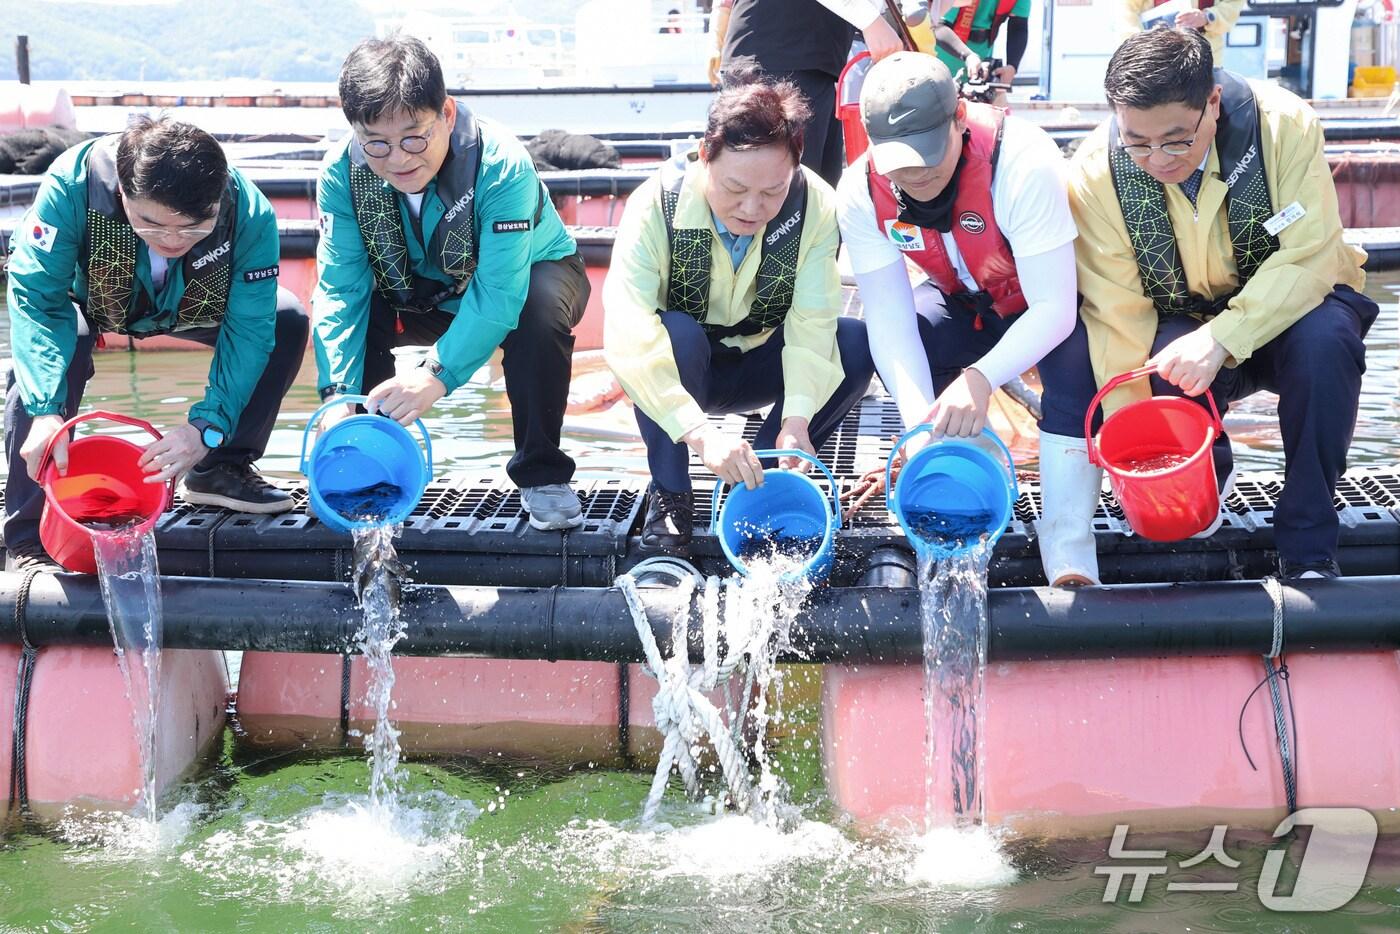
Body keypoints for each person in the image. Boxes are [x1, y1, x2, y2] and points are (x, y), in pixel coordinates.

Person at [1068, 29, 1377, 580]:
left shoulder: (1284, 125)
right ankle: (1208, 478)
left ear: (1212, 102)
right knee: (1153, 367)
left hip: (1292, 316)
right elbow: (1115, 311)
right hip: (1182, 322)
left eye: (1176, 140)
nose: (1157, 159)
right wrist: (1133, 436)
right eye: (1137, 142)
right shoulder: (1095, 171)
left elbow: (1310, 255)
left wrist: (1222, 338)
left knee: (1327, 344)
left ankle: (1309, 543)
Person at [837, 51, 1102, 586]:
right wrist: (918, 425)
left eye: (928, 161)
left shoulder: (1022, 161)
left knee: (1076, 372)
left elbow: (1054, 307)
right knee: (915, 337)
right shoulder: (859, 190)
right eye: (900, 167)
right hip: (964, 301)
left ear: (960, 117)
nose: (915, 178)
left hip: (1041, 303)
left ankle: (1068, 547)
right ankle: (966, 483)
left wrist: (981, 378)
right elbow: (888, 317)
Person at [4, 115, 307, 571]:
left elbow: (250, 329)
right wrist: (46, 410)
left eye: (193, 227)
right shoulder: (72, 185)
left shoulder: (249, 212)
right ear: (123, 191)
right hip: (88, 300)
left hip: (192, 307)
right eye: (151, 224)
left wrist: (206, 428)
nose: (172, 240)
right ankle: (28, 538)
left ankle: (219, 468)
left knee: (286, 318)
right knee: (46, 366)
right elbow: (38, 300)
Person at [314, 36, 591, 531]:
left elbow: (500, 292)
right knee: (360, 318)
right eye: (376, 143)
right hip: (418, 293)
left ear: (446, 113)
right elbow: (340, 291)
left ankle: (542, 472)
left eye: (413, 138)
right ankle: (366, 455)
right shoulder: (340, 175)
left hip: (526, 277)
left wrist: (436, 374)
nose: (398, 159)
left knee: (537, 306)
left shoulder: (501, 164)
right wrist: (337, 396)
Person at [604, 70, 875, 555]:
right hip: (687, 368)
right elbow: (629, 334)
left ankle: (762, 484)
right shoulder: (654, 204)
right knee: (675, 333)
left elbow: (812, 322)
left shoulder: (816, 206)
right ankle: (671, 496)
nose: (752, 208)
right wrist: (700, 434)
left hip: (760, 362)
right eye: (735, 187)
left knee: (853, 343)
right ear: (705, 155)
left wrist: (798, 418)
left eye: (772, 192)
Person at [719, 0, 905, 186]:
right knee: (783, 189)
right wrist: (871, 21)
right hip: (777, 57)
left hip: (810, 63)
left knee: (818, 190)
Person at [933, 0, 1028, 91]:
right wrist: (969, 56)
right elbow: (937, 26)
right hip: (941, 66)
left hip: (981, 69)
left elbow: (1018, 27)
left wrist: (1012, 66)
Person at [1119, 0, 1245, 65]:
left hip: (1204, 53)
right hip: (1154, 54)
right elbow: (1128, 10)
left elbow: (1233, 4)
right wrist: (1139, 45)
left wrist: (1207, 16)